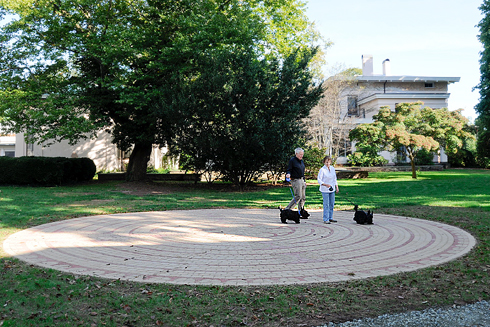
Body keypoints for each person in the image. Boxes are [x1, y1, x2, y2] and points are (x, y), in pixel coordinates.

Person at [285, 148, 307, 217]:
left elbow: (302, 172)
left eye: (302, 154)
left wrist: (304, 181)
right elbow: (289, 169)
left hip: (301, 180)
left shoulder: (301, 161)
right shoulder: (292, 160)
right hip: (295, 180)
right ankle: (287, 210)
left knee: (303, 197)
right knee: (298, 196)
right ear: (296, 154)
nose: (301, 156)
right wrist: (288, 174)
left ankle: (300, 212)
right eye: (300, 154)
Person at [317, 156, 339, 224]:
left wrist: (336, 186)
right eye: (326, 162)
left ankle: (330, 217)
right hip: (325, 189)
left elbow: (334, 178)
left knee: (331, 203)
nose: (328, 163)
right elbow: (319, 180)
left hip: (332, 189)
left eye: (329, 162)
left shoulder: (332, 168)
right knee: (326, 204)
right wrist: (325, 184)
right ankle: (325, 218)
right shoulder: (322, 170)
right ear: (324, 162)